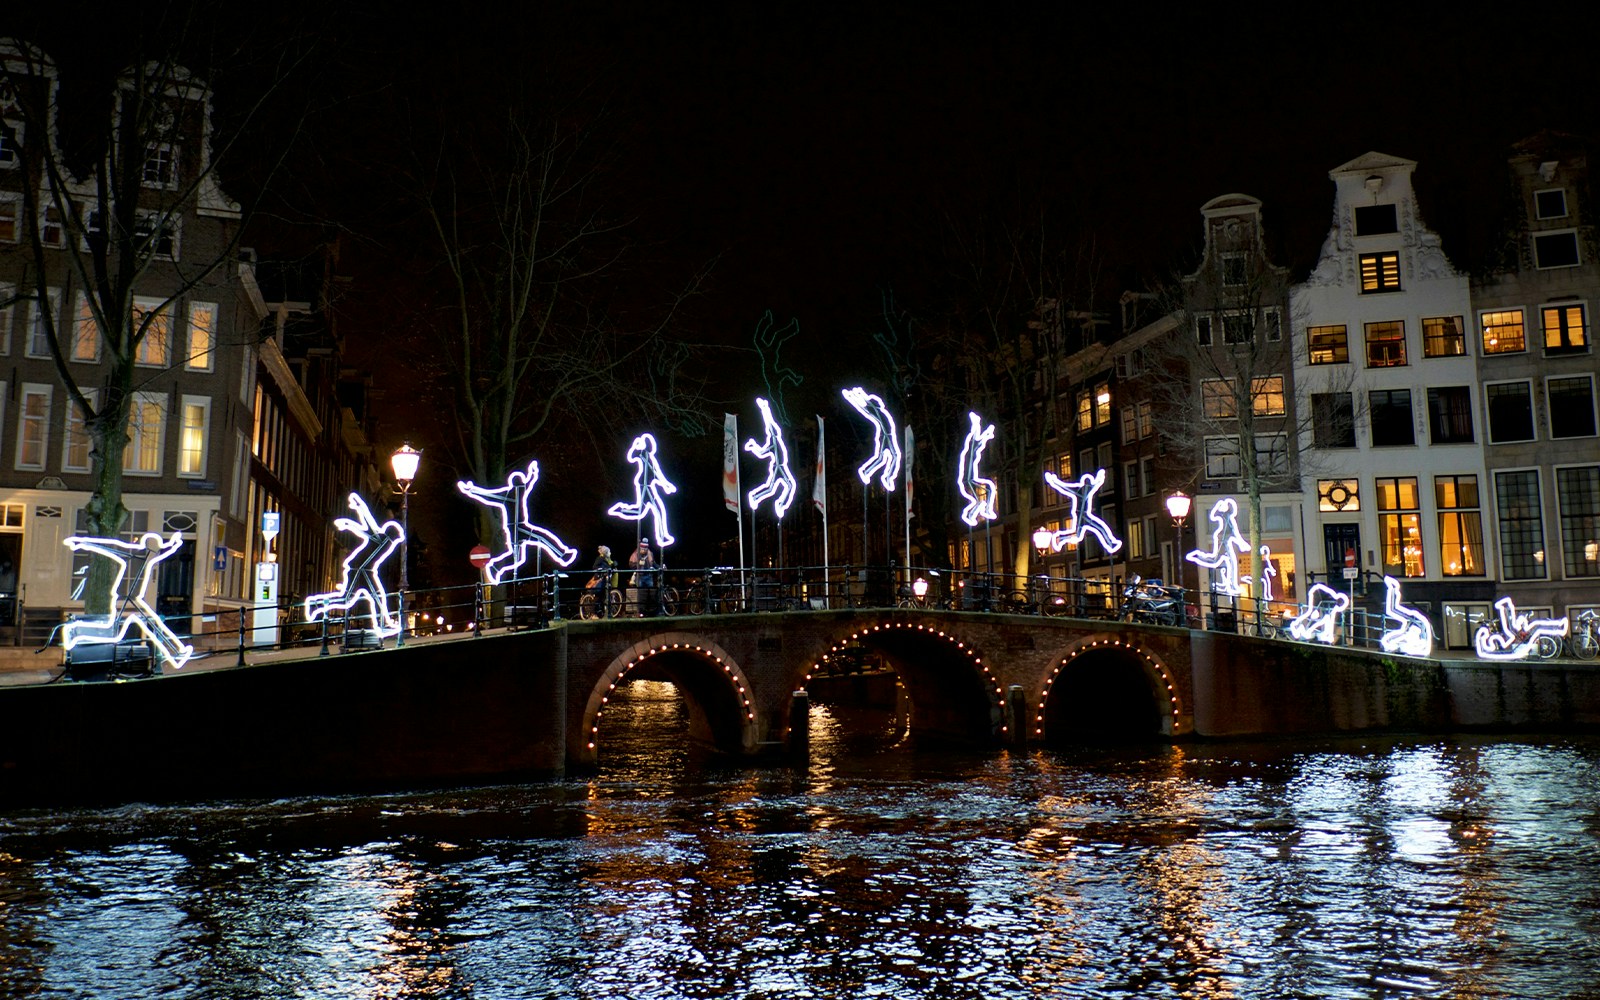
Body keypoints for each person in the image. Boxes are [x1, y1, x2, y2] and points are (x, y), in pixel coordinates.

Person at [628, 537, 657, 616]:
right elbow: (631, 564)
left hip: (649, 576)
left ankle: (650, 611)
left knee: (651, 593)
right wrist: (638, 564)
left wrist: (659, 567)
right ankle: (641, 611)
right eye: (642, 548)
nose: (644, 550)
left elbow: (653, 563)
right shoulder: (635, 554)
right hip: (640, 576)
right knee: (641, 594)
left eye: (645, 548)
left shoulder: (650, 553)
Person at [587, 545, 616, 617]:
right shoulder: (600, 558)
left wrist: (613, 565)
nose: (610, 553)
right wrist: (602, 569)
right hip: (599, 579)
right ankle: (593, 614)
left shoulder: (607, 560)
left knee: (603, 596)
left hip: (604, 580)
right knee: (598, 596)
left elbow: (609, 568)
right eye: (609, 552)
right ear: (606, 552)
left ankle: (602, 613)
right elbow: (595, 567)